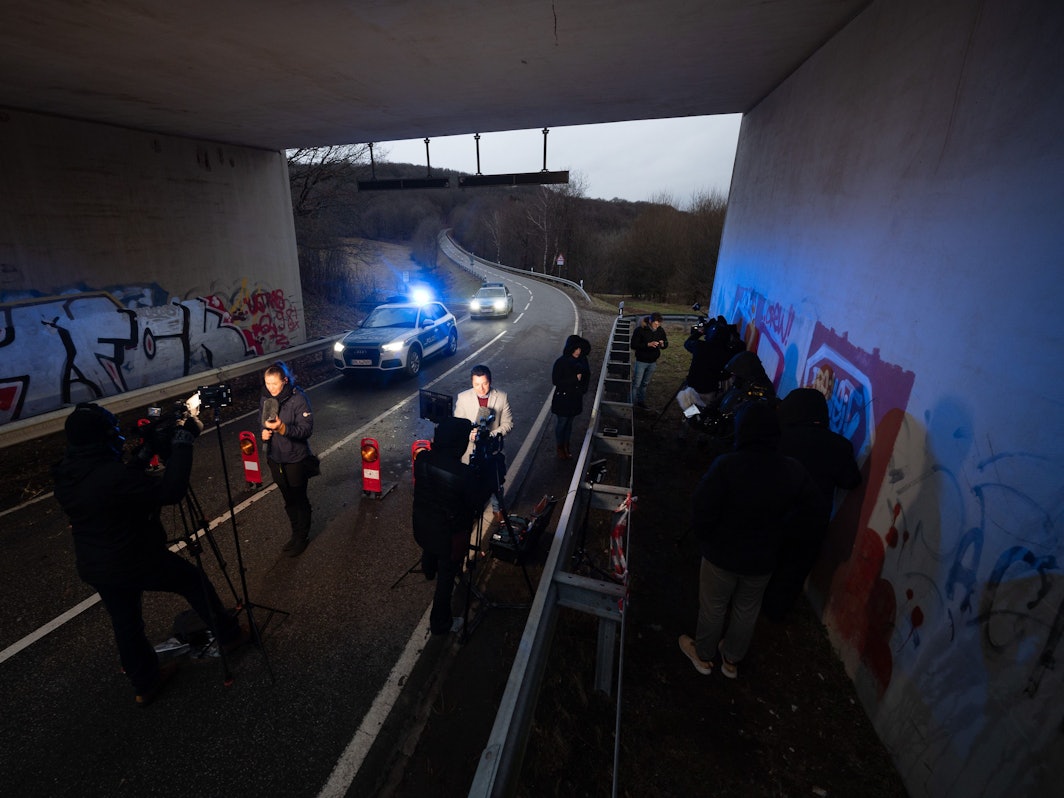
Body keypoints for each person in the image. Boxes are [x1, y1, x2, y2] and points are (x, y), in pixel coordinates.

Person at [52, 401, 247, 707]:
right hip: (132, 557)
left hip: (96, 562)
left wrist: (142, 457)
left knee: (126, 623)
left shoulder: (68, 471)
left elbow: (115, 486)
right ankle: (229, 634)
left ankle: (145, 682)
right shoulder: (110, 476)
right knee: (192, 580)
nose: (117, 438)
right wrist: (183, 445)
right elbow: (170, 492)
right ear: (100, 438)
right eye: (112, 432)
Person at [678, 402, 819, 679]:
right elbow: (810, 510)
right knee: (747, 608)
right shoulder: (792, 469)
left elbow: (702, 505)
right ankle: (731, 659)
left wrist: (707, 536)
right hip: (764, 557)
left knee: (714, 605)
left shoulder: (728, 465)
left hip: (722, 553)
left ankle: (704, 655)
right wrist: (781, 534)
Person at [761, 388, 861, 622]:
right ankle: (775, 611)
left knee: (763, 560)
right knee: (794, 569)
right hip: (811, 522)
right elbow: (851, 480)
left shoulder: (780, 436)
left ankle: (749, 603)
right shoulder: (839, 445)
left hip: (774, 513)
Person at [412, 417, 493, 635]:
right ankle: (440, 625)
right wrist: (487, 480)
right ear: (458, 443)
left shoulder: (422, 459)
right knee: (446, 580)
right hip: (448, 537)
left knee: (431, 546)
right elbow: (476, 503)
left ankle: (428, 569)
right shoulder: (463, 474)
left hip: (422, 525)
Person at [260, 361, 316, 556]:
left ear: (285, 380)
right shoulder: (266, 399)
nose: (271, 388)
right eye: (267, 383)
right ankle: (295, 533)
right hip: (275, 457)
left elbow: (306, 429)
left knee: (299, 498)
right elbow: (263, 421)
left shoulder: (298, 399)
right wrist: (264, 433)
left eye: (275, 384)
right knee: (287, 499)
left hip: (295, 458)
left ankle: (302, 537)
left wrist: (282, 428)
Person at [453, 364, 513, 521]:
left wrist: (489, 434)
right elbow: (458, 425)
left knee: (495, 482)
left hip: (492, 451)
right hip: (471, 451)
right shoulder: (463, 398)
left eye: (484, 383)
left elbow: (508, 424)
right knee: (470, 482)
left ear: (490, 381)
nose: (481, 388)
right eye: (476, 384)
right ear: (471, 383)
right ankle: (470, 510)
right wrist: (469, 434)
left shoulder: (502, 397)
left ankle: (497, 507)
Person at [551, 334, 591, 460]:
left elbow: (587, 376)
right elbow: (556, 381)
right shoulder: (561, 362)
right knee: (562, 423)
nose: (578, 352)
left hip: (575, 398)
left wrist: (582, 388)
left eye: (580, 349)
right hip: (563, 399)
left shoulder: (582, 361)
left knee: (569, 424)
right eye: (576, 349)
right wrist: (574, 379)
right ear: (571, 348)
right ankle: (560, 447)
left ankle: (566, 445)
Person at [630, 312, 668, 408]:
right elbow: (633, 345)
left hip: (653, 362)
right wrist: (648, 344)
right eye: (656, 323)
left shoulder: (660, 330)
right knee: (636, 384)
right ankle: (630, 404)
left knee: (645, 384)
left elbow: (665, 342)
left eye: (659, 323)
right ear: (650, 321)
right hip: (641, 361)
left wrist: (663, 344)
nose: (657, 325)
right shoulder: (640, 330)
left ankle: (641, 402)